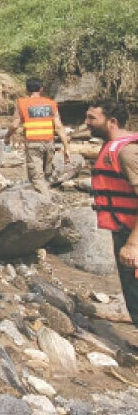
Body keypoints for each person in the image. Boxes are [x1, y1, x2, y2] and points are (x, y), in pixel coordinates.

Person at [86, 99, 138, 327]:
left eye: (92, 118)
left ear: (112, 121)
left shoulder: (126, 153)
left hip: (132, 234)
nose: (86, 123)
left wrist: (133, 244)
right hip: (124, 230)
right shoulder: (112, 147)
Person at [4, 77, 71, 196]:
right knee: (46, 175)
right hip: (49, 143)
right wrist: (66, 147)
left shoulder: (22, 103)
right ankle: (45, 197)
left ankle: (47, 202)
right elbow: (59, 127)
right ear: (41, 89)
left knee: (36, 178)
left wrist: (7, 137)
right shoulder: (51, 103)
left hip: (33, 144)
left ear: (26, 90)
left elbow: (14, 125)